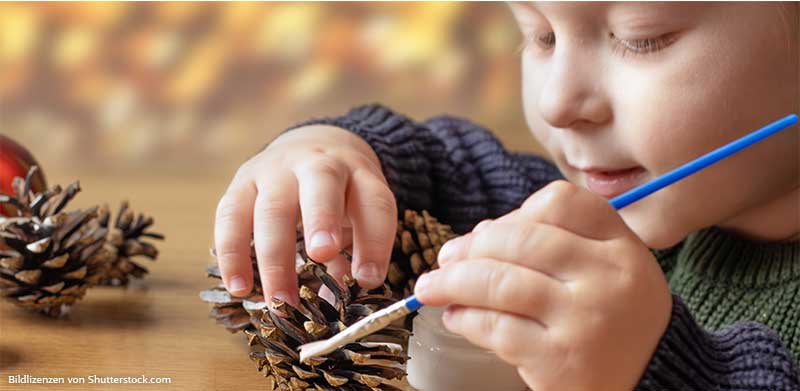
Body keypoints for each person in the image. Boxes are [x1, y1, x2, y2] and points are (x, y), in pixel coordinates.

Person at [213, 3, 799, 389]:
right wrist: (339, 152)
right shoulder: (643, 202)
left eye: (641, 38)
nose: (557, 103)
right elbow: (450, 171)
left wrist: (666, 370)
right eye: (540, 36)